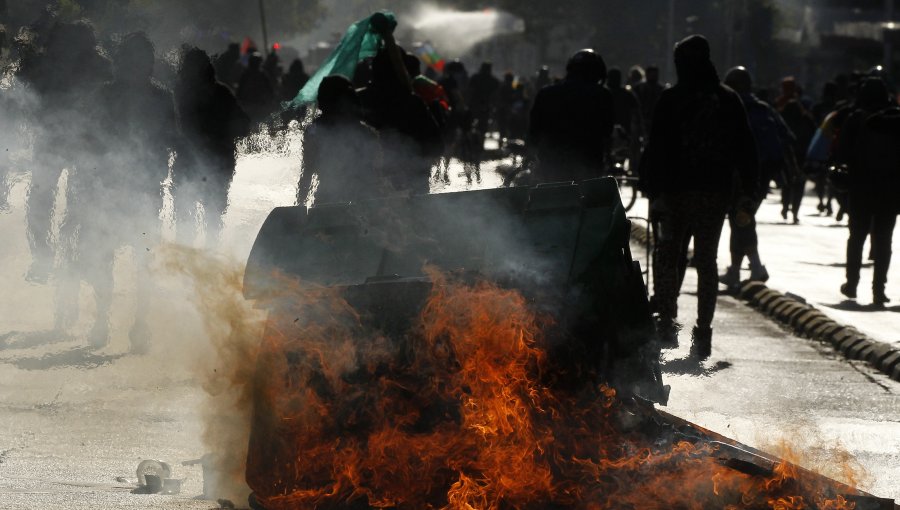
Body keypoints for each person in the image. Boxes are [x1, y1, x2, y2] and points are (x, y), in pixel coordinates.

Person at [640, 35, 758, 359]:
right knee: (706, 261)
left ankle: (665, 321)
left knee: (668, 255)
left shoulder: (672, 98)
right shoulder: (727, 99)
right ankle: (702, 333)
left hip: (675, 193)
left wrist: (653, 191)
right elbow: (746, 150)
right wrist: (748, 193)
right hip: (713, 194)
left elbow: (656, 149)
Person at [63, 32, 176, 349]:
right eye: (135, 60)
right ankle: (109, 321)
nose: (140, 67)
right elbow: (87, 139)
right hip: (113, 188)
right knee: (110, 258)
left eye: (144, 61)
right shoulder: (117, 97)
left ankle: (134, 324)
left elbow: (170, 139)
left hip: (138, 189)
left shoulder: (153, 98)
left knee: (136, 260)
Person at [18, 20, 111, 283]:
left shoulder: (89, 66)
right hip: (65, 140)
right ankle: (57, 259)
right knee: (59, 201)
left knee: (48, 202)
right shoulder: (96, 65)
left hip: (69, 140)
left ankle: (51, 260)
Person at [719, 66, 794, 289]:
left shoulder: (729, 106)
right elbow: (787, 137)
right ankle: (736, 270)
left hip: (738, 175)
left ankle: (755, 267)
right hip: (762, 176)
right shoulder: (764, 108)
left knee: (741, 220)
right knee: (741, 219)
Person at [174, 47, 250, 248]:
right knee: (213, 216)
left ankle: (184, 259)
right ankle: (209, 258)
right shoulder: (221, 93)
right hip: (218, 160)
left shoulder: (180, 94)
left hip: (190, 161)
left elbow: (173, 129)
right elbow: (243, 125)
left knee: (185, 215)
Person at [357, 18, 442, 195]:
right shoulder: (412, 101)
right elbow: (435, 144)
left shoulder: (359, 99)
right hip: (413, 185)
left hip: (370, 190)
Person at [836, 77, 897, 306]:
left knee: (857, 237)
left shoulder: (856, 118)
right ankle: (878, 290)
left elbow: (841, 153)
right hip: (890, 189)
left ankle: (852, 283)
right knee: (884, 240)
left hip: (861, 186)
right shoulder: (895, 119)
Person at [527, 49, 614, 183]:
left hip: (551, 164)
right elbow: (607, 131)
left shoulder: (546, 93)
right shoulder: (603, 95)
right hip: (587, 164)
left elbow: (533, 131)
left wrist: (531, 157)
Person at [296, 75, 384, 206]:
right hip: (362, 202)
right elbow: (377, 173)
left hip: (329, 202)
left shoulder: (314, 130)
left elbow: (307, 171)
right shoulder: (365, 132)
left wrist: (300, 205)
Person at [236, 51, 275, 123]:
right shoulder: (258, 74)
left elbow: (269, 90)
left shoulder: (248, 74)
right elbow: (270, 90)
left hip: (255, 104)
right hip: (252, 104)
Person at [467, 61, 499, 139]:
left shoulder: (475, 77)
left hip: (475, 104)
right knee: (483, 126)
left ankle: (469, 140)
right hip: (485, 105)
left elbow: (469, 91)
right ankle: (479, 142)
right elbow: (496, 95)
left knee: (470, 124)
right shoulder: (493, 80)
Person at [634, 65, 666, 134]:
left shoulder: (661, 89)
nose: (654, 76)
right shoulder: (639, 88)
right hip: (643, 119)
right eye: (652, 74)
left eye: (655, 75)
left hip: (656, 119)